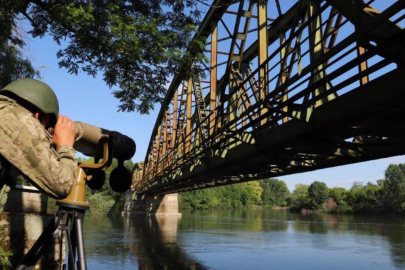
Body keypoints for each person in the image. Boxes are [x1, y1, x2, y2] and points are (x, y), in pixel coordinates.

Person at [0, 78, 76, 201]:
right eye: (46, 127)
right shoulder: (21, 119)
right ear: (38, 115)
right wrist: (66, 146)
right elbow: (61, 185)